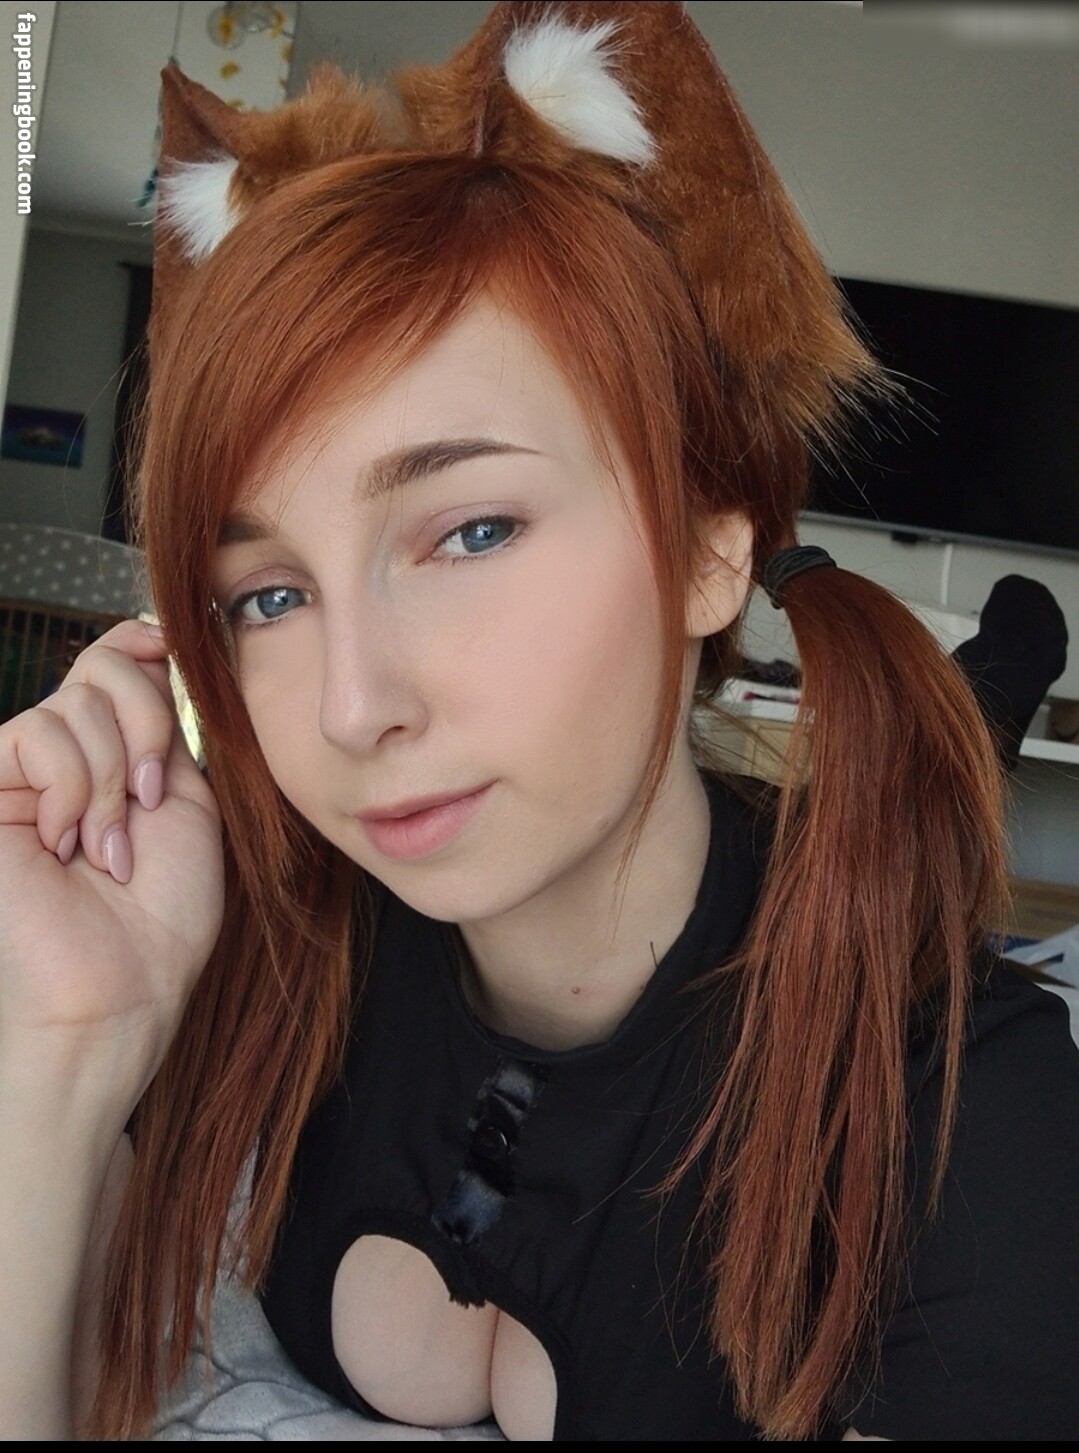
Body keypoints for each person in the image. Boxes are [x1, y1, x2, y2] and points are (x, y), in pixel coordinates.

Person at [1, 1, 1077, 1441]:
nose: (352, 706)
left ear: (710, 545)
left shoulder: (968, 1111)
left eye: (473, 530)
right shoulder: (248, 967)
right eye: (268, 596)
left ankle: (996, 683)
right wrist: (63, 1048)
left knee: (931, 791)